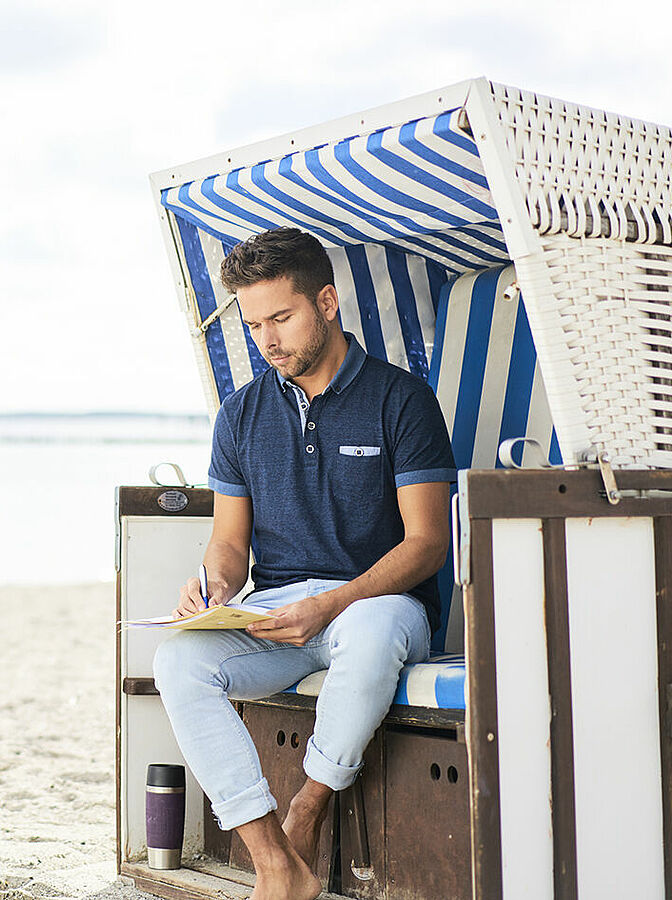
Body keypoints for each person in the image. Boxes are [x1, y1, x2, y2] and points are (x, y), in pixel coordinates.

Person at [152, 228, 455, 900]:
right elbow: (229, 544)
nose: (267, 340)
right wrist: (213, 587)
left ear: (326, 301)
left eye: (281, 318)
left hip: (380, 603)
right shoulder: (239, 415)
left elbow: (427, 543)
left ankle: (306, 810)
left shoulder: (400, 400)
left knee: (373, 635)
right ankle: (274, 863)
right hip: (277, 608)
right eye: (254, 323)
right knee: (177, 659)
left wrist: (332, 604)